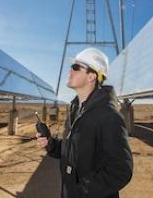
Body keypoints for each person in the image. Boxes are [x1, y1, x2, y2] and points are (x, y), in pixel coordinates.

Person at [36, 47, 133, 198]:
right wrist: (51, 144)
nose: (70, 71)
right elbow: (75, 150)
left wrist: (81, 190)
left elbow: (121, 170)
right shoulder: (75, 111)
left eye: (76, 67)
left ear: (91, 77)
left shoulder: (108, 116)